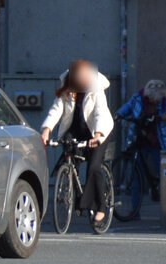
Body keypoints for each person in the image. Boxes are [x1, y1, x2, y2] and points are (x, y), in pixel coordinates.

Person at [40, 59, 115, 226]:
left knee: (94, 167)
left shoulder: (96, 88)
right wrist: (46, 130)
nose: (84, 80)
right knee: (68, 158)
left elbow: (100, 113)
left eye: (86, 76)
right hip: (75, 129)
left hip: (97, 130)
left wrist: (98, 134)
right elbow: (56, 109)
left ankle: (101, 207)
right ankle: (71, 188)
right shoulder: (67, 87)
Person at [115, 79, 166, 185]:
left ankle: (164, 196)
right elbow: (127, 107)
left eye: (157, 100)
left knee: (163, 173)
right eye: (152, 99)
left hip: (159, 143)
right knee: (137, 173)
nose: (154, 102)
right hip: (140, 140)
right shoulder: (137, 100)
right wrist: (118, 114)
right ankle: (136, 199)